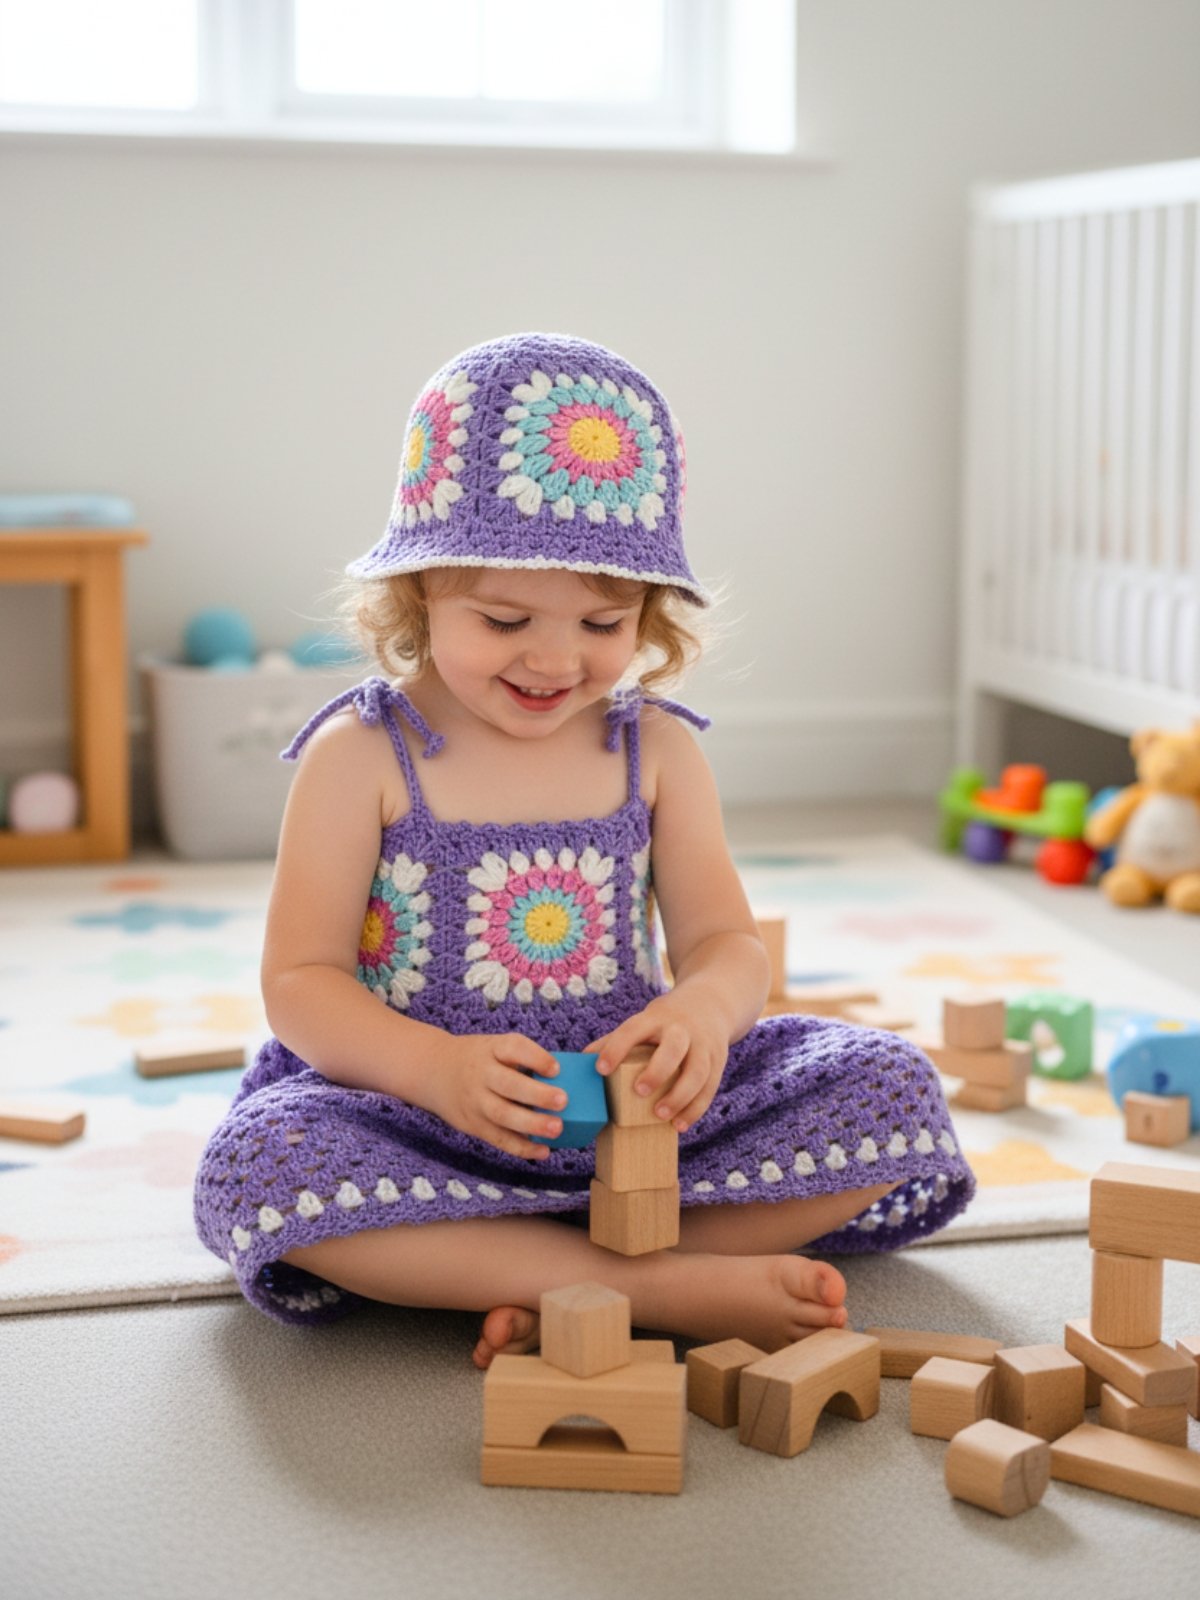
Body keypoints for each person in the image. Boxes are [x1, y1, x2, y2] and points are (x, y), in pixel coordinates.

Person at [194, 332, 975, 1364]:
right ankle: (648, 1286)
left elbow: (725, 944)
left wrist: (699, 1014)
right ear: (421, 587)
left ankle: (537, 1275)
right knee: (262, 1164)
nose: (556, 659)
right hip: (413, 1120)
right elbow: (301, 979)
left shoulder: (651, 746)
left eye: (604, 623)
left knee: (891, 1084)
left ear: (650, 613)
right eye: (507, 616)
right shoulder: (362, 752)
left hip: (641, 1131)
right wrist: (433, 1068)